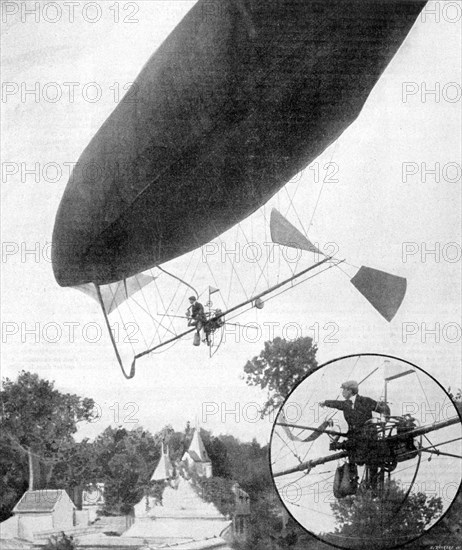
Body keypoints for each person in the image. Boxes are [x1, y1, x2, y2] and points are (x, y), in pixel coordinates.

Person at [320, 380, 390, 490]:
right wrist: (325, 402)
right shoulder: (346, 404)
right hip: (354, 438)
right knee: (351, 456)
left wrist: (383, 422)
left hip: (368, 437)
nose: (342, 392)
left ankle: (373, 486)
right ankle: (353, 484)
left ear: (350, 390)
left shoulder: (365, 401)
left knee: (372, 460)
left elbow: (384, 409)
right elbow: (336, 403)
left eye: (343, 389)